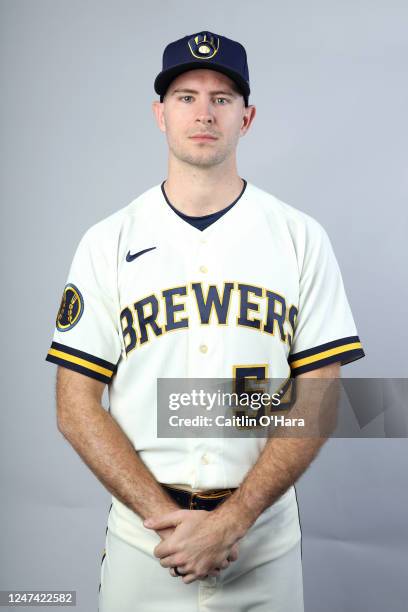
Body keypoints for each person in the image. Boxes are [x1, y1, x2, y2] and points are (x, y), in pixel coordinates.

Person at [45, 30, 365, 612]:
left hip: (260, 539)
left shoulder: (299, 237)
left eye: (222, 97)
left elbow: (319, 394)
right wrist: (167, 523)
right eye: (186, 96)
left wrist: (234, 518)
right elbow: (75, 405)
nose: (204, 112)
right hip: (146, 539)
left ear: (247, 117)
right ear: (159, 114)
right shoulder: (107, 242)